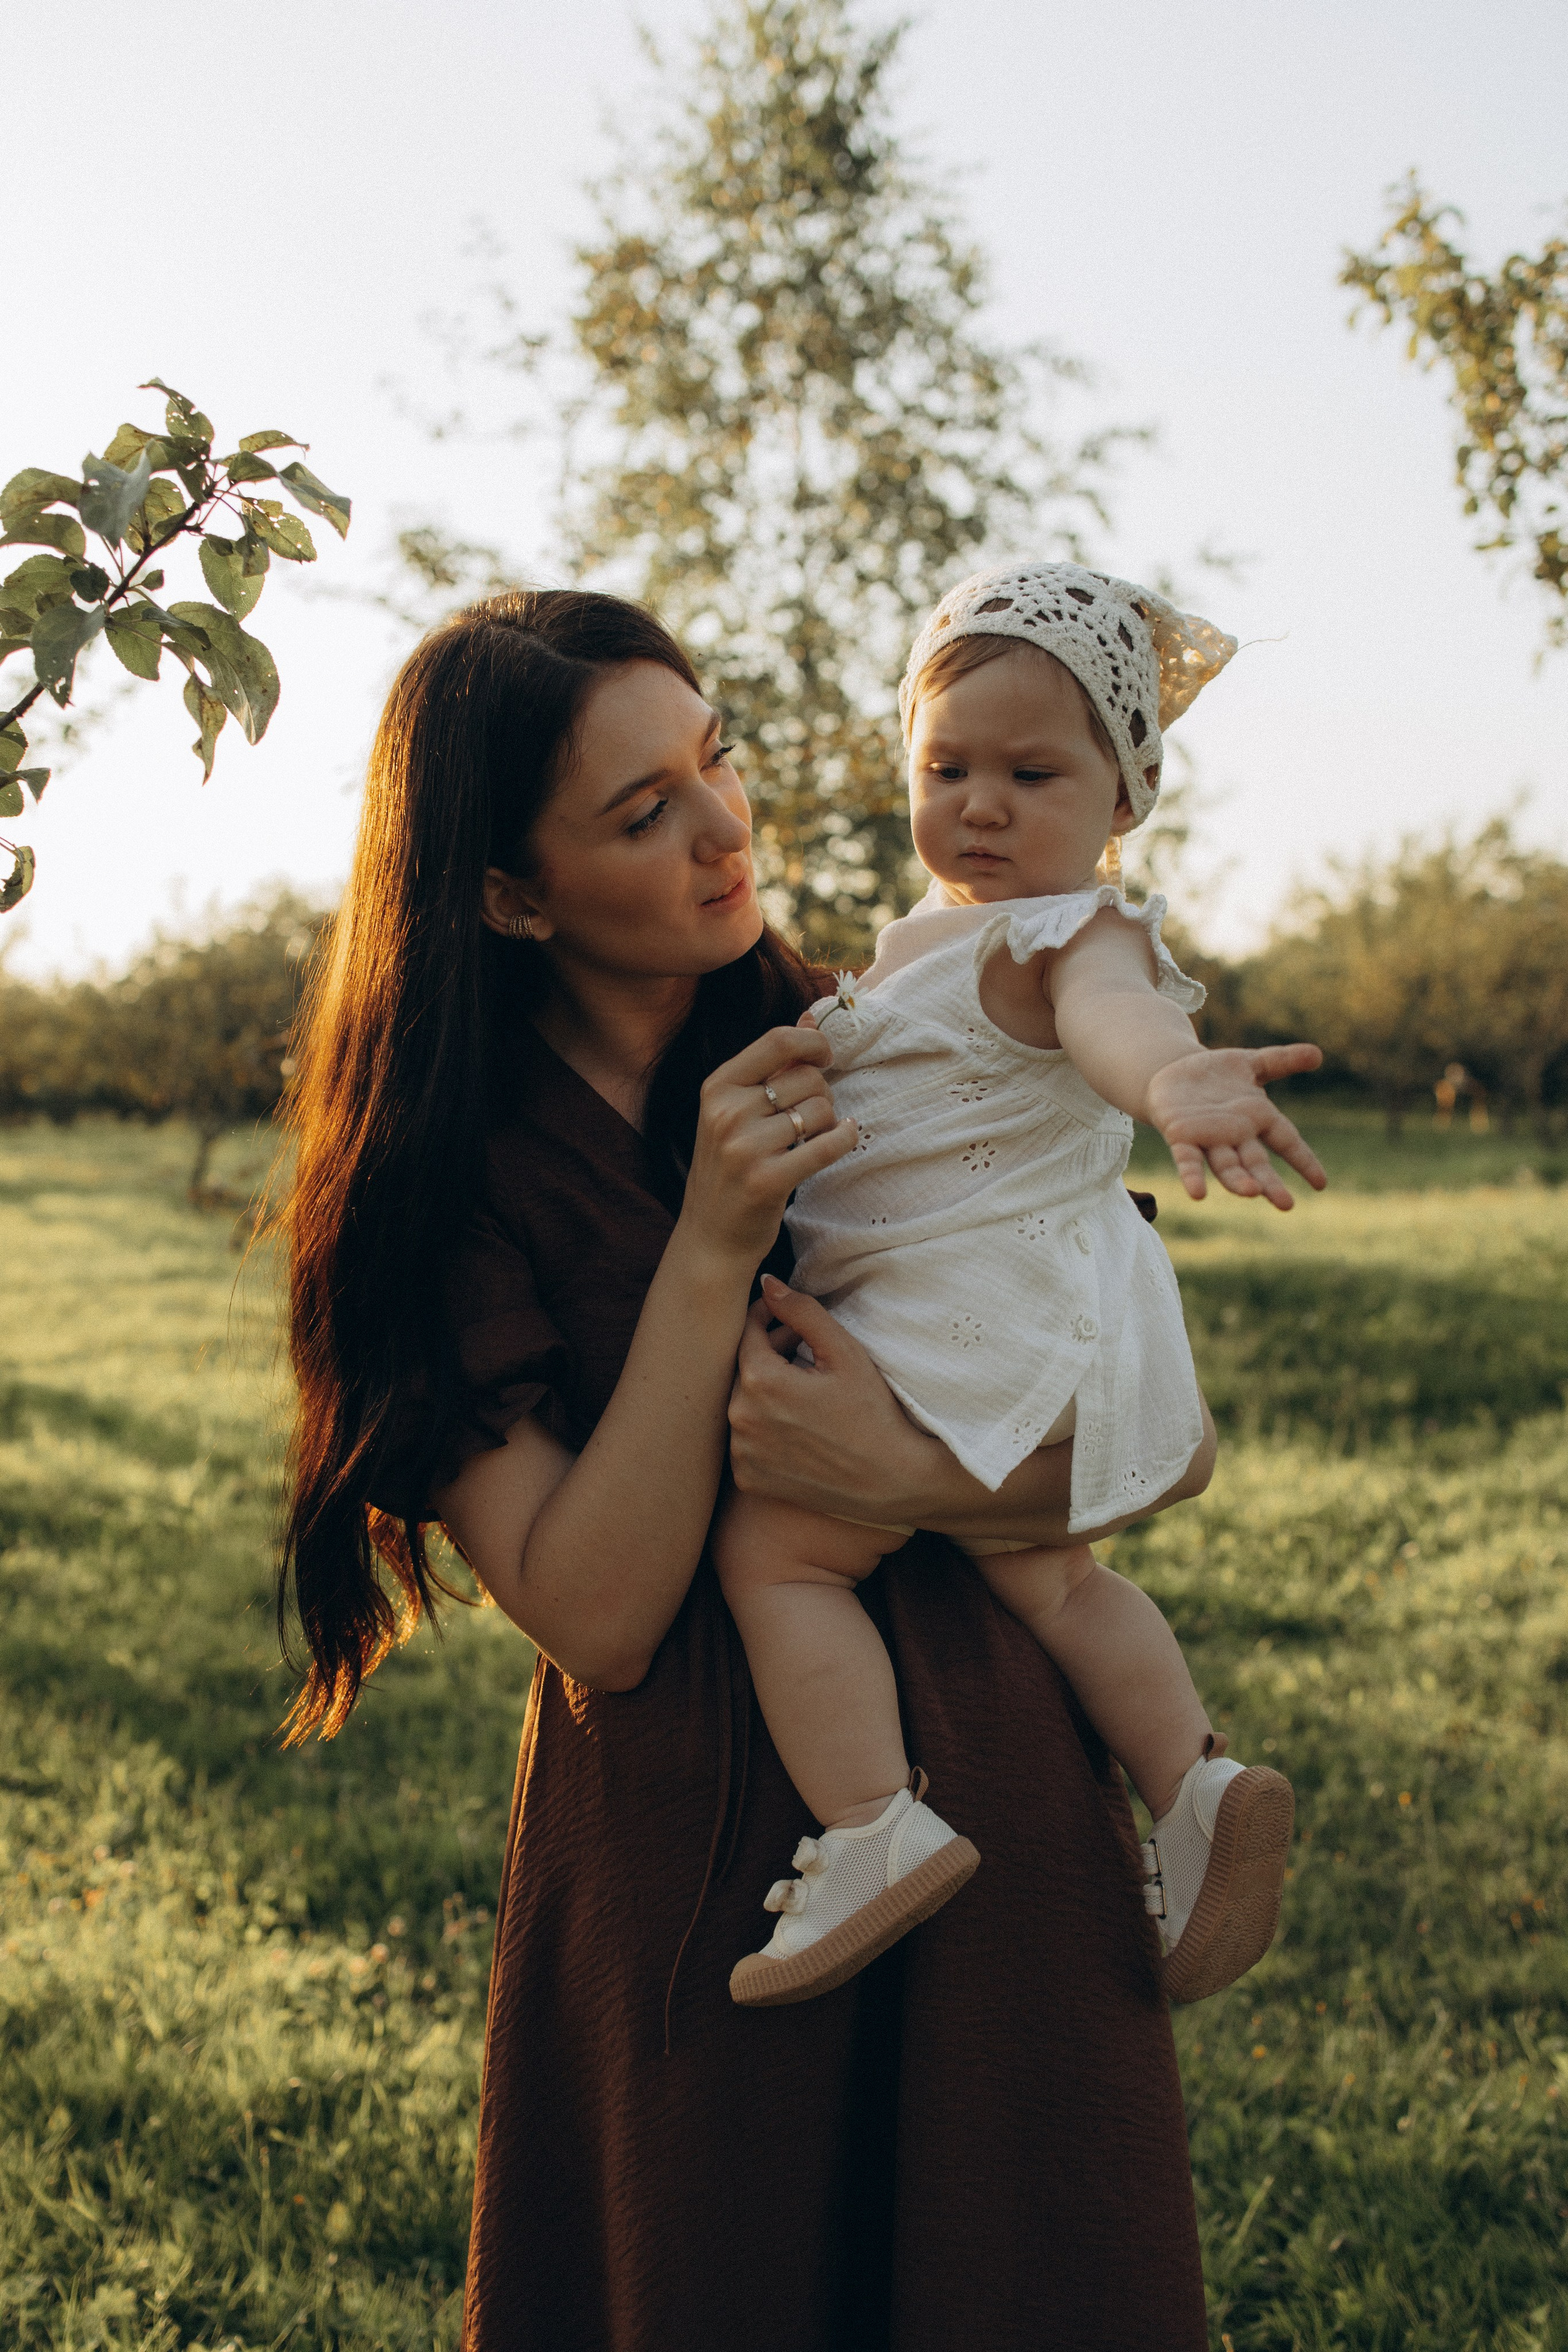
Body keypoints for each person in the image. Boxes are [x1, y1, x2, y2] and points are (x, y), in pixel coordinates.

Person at [279, 587, 1218, 2351]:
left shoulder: (886, 1029)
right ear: (507, 893)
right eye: (643, 813)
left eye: (714, 761)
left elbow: (1156, 1446)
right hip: (699, 1874)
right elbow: (599, 1615)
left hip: (1004, 1811)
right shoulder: (440, 1191)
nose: (723, 831)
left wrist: (900, 1472)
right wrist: (714, 1248)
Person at [717, 562, 1323, 2013]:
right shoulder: (929, 950)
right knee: (1052, 1575)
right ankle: (1189, 1778)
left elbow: (1111, 1022)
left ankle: (871, 1824)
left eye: (1031, 772)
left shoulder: (1067, 935)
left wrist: (1174, 1078)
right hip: (1037, 1337)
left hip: (963, 1323)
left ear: (1123, 803)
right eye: (947, 766)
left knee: (782, 1559)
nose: (980, 803)